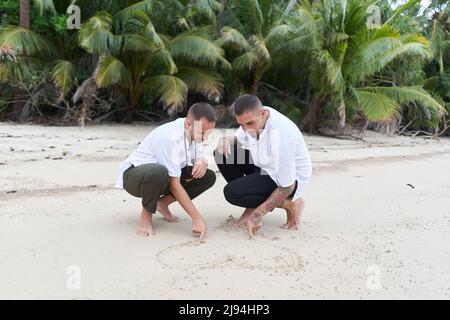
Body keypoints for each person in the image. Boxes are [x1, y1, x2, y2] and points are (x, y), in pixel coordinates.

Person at [214, 94, 312, 239]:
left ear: (263, 114)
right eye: (242, 125)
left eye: (249, 124)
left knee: (232, 193)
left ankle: (291, 203)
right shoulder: (255, 117)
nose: (246, 130)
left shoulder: (281, 137)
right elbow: (238, 137)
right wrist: (225, 139)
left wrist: (258, 214)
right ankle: (250, 202)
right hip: (264, 165)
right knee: (222, 154)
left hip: (288, 179)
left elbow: (288, 186)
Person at [115, 103, 217, 240]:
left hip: (162, 179)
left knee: (207, 176)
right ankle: (145, 216)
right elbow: (174, 184)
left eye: (208, 133)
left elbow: (197, 161)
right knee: (158, 171)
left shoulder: (195, 133)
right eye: (202, 133)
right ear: (188, 124)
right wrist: (197, 218)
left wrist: (203, 161)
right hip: (135, 177)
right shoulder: (169, 138)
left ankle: (162, 204)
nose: (205, 138)